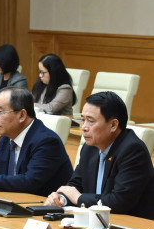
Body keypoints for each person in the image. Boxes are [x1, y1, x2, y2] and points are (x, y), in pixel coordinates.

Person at [45, 91, 154, 219]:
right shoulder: (89, 148)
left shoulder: (132, 150)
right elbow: (75, 184)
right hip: (96, 222)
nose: (84, 127)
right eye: (82, 120)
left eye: (90, 121)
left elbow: (119, 202)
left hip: (130, 227)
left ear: (113, 125)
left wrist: (78, 198)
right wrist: (61, 198)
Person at [0, 87, 73, 196]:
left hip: (44, 208)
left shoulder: (47, 142)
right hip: (14, 202)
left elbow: (30, 182)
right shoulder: (5, 139)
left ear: (22, 115)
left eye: (1, 111)